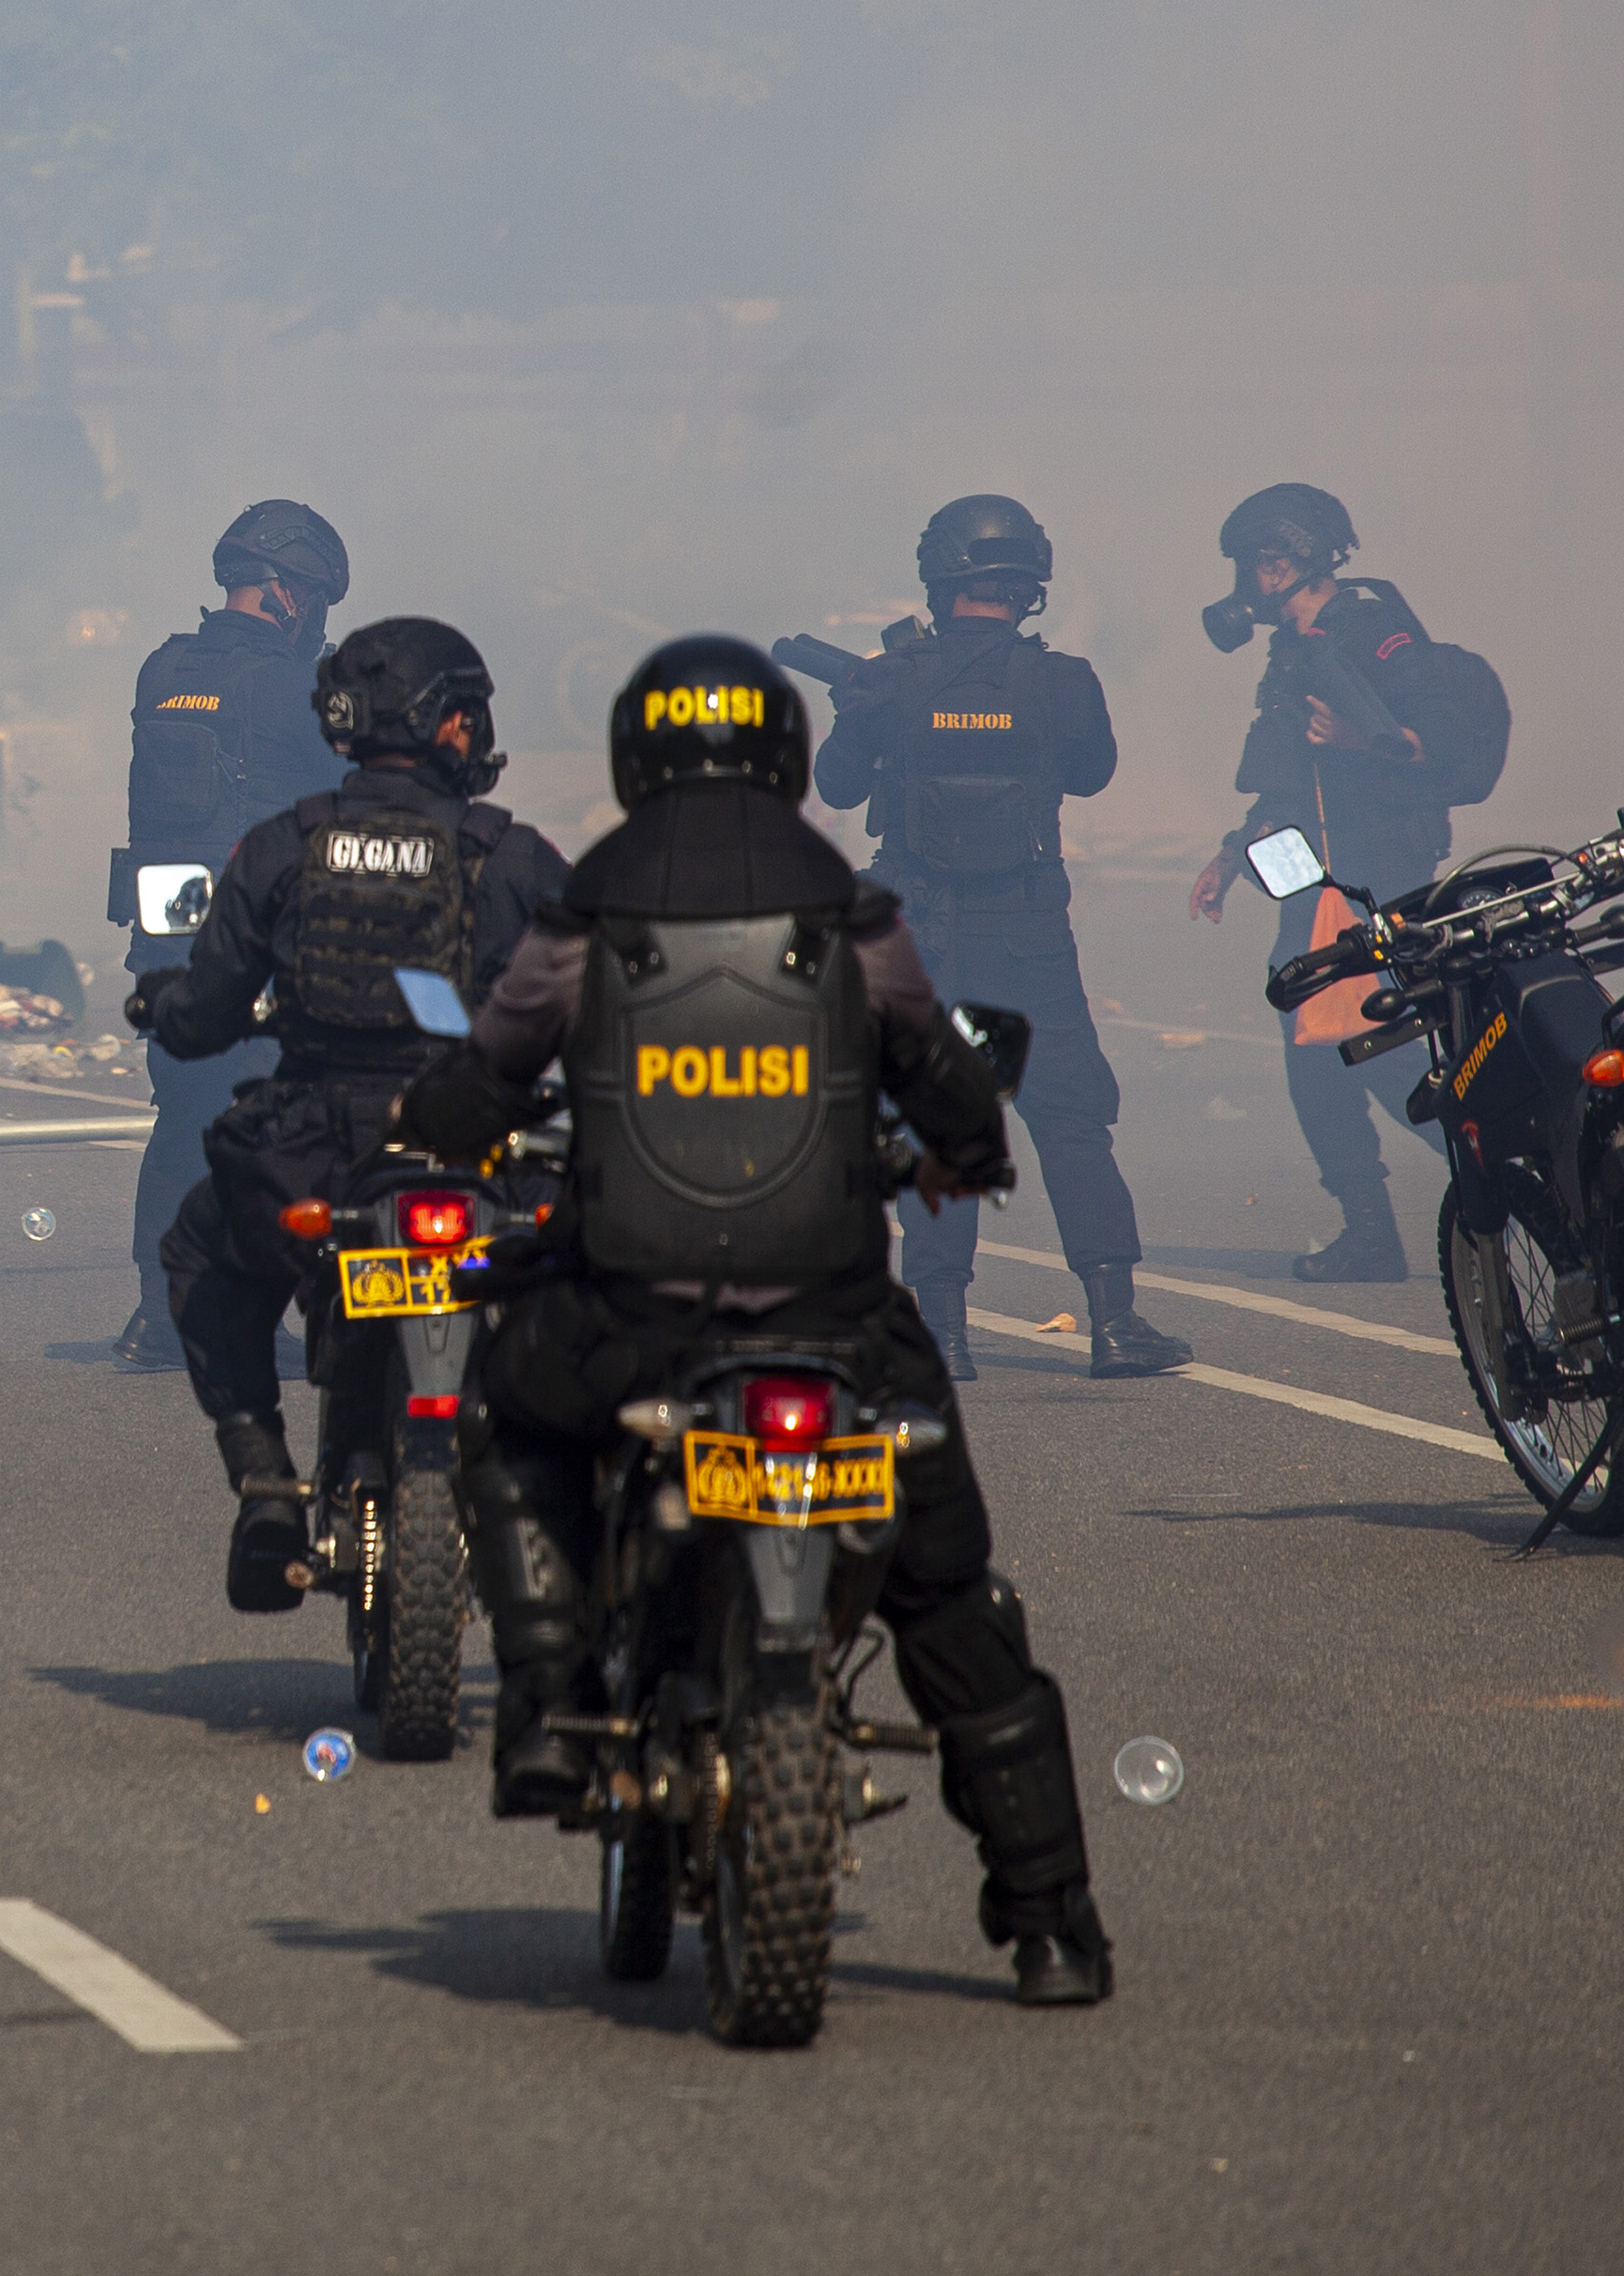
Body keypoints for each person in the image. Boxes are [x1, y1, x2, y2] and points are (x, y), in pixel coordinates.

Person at [392, 636, 1118, 2006]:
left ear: (634, 754)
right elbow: (949, 1085)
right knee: (951, 1601)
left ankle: (548, 1710)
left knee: (502, 1413)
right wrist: (963, 1148)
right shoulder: (853, 914)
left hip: (628, 1323)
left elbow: (486, 1072)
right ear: (785, 751)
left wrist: (429, 1120)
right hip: (837, 1320)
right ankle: (1053, 1928)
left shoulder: (585, 914)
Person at [123, 615, 567, 1610]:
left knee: (198, 1252)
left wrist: (162, 1003)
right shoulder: (516, 857)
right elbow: (596, 1009)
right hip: (474, 1150)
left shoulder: (282, 845)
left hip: (314, 1153)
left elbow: (200, 1017)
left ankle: (267, 1484)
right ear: (449, 726)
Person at [815, 496, 1183, 1380]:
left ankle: (943, 1334)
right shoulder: (1064, 681)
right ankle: (1114, 1322)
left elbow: (833, 787)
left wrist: (857, 705)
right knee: (1072, 1120)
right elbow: (1092, 774)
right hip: (1028, 933)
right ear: (1027, 586)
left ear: (939, 581)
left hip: (922, 939)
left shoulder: (891, 678)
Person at [1181, 483, 1501, 1281]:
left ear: (1297, 560)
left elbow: (1437, 738)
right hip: (1318, 869)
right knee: (1320, 1043)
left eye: (1260, 561)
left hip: (1374, 870)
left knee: (1372, 1047)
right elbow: (1288, 775)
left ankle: (1499, 1167)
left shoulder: (1372, 630)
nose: (1249, 581)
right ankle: (1380, 1220)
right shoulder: (1297, 646)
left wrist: (1365, 737)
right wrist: (1231, 855)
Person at [107, 499, 351, 1375]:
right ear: (288, 593)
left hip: (168, 952)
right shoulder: (302, 690)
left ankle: (157, 1314)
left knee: (182, 1122)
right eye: (315, 597)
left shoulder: (161, 670)